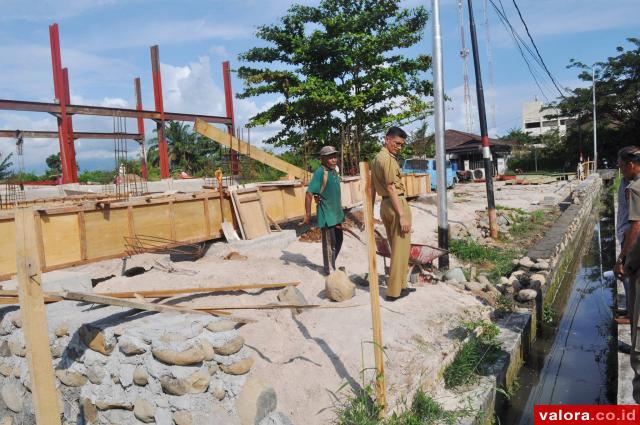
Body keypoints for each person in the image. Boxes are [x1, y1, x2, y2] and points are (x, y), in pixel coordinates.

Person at [371, 126, 415, 301]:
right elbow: (391, 187)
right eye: (397, 143)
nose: (399, 147)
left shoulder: (376, 159)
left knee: (398, 247)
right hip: (397, 205)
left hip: (385, 205)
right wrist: (402, 214)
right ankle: (394, 291)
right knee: (400, 250)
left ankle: (401, 285)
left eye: (401, 144)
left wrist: (371, 210)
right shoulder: (387, 159)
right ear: (387, 139)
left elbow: (372, 186)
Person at [615, 147, 640, 402]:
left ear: (632, 164)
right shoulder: (631, 182)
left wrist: (622, 259)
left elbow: (636, 226)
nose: (620, 169)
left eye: (622, 165)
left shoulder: (635, 188)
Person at [302, 146, 345, 275]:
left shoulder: (334, 171)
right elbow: (309, 193)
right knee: (329, 244)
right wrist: (308, 215)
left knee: (339, 240)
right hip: (327, 215)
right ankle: (329, 270)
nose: (333, 160)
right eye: (330, 157)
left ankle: (332, 264)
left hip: (336, 214)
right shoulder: (320, 172)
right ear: (323, 159)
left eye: (335, 157)